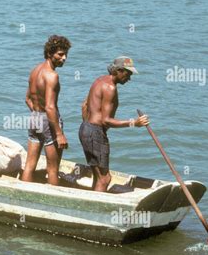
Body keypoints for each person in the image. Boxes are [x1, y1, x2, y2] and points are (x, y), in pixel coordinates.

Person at [79, 56, 149, 192]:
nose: (129, 78)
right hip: (95, 132)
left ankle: (93, 203)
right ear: (118, 71)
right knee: (105, 179)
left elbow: (84, 105)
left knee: (98, 177)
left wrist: (88, 128)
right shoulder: (110, 88)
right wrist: (134, 123)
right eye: (127, 74)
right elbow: (106, 120)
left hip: (85, 129)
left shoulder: (99, 80)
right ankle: (97, 210)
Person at [21, 35, 71, 185]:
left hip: (35, 117)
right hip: (49, 121)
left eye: (66, 55)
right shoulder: (52, 76)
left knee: (29, 165)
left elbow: (27, 99)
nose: (64, 59)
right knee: (53, 169)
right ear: (50, 53)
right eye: (60, 54)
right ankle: (54, 202)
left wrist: (37, 115)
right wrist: (59, 134)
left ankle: (23, 194)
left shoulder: (34, 71)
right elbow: (50, 107)